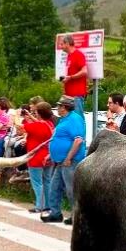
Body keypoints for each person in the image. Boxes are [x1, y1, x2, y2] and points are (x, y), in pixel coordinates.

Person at [42, 96, 85, 225]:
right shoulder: (63, 120)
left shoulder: (74, 119)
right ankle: (55, 213)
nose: (58, 108)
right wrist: (51, 155)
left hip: (70, 161)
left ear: (65, 107)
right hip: (61, 161)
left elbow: (78, 140)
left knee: (71, 190)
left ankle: (76, 216)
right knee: (54, 187)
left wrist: (68, 158)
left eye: (59, 106)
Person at [23, 102, 56, 213]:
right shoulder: (50, 124)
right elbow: (40, 122)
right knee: (47, 181)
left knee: (37, 183)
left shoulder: (35, 126)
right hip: (48, 156)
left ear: (39, 113)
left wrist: (21, 116)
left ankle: (39, 205)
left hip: (35, 157)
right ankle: (48, 205)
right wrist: (30, 116)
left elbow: (21, 127)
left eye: (35, 112)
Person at [59, 34, 88, 114]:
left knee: (78, 118)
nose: (61, 46)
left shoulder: (78, 54)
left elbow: (84, 71)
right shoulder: (69, 56)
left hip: (77, 94)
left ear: (67, 43)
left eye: (62, 44)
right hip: (69, 94)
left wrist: (70, 77)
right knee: (72, 119)